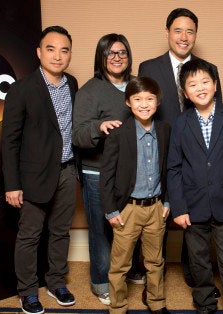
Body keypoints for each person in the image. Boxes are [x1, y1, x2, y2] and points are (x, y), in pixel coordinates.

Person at [138, 8, 221, 296]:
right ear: (167, 33)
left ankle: (193, 270)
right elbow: (142, 108)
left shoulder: (208, 68)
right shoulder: (148, 67)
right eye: (178, 30)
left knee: (195, 213)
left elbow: (217, 114)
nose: (184, 37)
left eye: (190, 31)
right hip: (160, 152)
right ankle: (154, 272)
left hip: (199, 156)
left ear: (195, 36)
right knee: (157, 214)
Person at [1, 25, 78, 314]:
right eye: (51, 48)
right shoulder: (21, 89)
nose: (58, 55)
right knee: (30, 235)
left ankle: (57, 281)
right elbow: (9, 141)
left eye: (64, 50)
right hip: (33, 177)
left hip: (68, 172)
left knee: (60, 231)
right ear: (39, 52)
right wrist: (12, 184)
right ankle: (28, 291)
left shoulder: (72, 84)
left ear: (69, 54)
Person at [167, 59, 223, 314]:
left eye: (205, 82)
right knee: (198, 261)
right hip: (193, 207)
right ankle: (205, 303)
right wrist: (179, 208)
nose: (200, 88)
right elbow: (174, 169)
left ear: (215, 85)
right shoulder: (180, 124)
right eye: (193, 84)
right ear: (185, 92)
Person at [72, 33, 140, 305]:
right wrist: (98, 128)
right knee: (101, 229)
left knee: (130, 226)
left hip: (129, 172)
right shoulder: (90, 90)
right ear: (101, 57)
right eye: (110, 53)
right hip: (96, 172)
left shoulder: (136, 86)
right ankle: (101, 281)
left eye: (122, 52)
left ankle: (131, 268)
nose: (117, 57)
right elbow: (77, 135)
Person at [100, 76, 171, 314]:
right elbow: (106, 176)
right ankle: (118, 306)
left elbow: (170, 168)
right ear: (128, 102)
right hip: (127, 209)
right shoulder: (119, 134)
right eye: (137, 99)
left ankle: (156, 302)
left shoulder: (165, 130)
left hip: (156, 208)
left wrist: (167, 201)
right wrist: (111, 210)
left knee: (155, 261)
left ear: (158, 102)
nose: (144, 104)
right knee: (120, 264)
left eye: (149, 99)